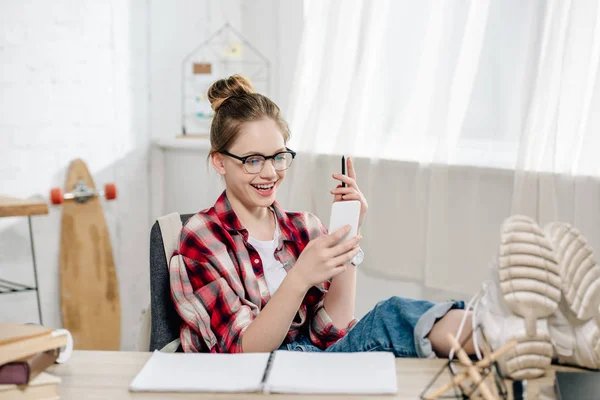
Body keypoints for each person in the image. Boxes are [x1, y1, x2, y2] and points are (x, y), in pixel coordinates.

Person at [169, 75, 600, 380]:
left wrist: (349, 240)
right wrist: (300, 276)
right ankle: (518, 327)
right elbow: (242, 354)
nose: (270, 173)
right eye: (253, 160)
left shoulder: (302, 226)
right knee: (392, 316)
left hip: (309, 363)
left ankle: (553, 333)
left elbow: (333, 327)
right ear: (219, 161)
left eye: (279, 156)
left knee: (391, 322)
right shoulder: (199, 239)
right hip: (248, 379)